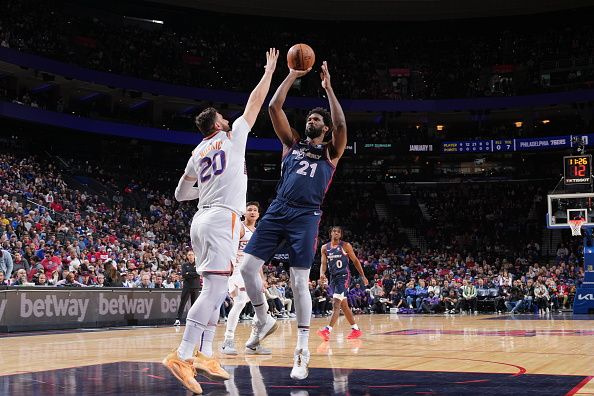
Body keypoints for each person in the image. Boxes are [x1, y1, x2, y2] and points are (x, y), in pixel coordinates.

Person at [161, 48, 279, 395]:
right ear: (217, 125)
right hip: (222, 219)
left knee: (216, 291)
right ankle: (182, 355)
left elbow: (181, 195)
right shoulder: (232, 137)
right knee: (214, 291)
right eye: (223, 119)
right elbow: (256, 102)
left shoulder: (197, 153)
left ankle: (207, 354)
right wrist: (269, 70)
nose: (229, 120)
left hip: (201, 219)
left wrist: (210, 189)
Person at [241, 60, 348, 380]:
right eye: (310, 117)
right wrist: (291, 75)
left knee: (299, 280)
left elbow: (342, 125)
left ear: (324, 128)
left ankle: (302, 348)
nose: (312, 120)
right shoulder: (291, 144)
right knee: (247, 268)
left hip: (306, 215)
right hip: (278, 208)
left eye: (317, 118)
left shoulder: (332, 151)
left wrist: (329, 88)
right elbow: (274, 106)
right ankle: (264, 319)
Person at [221, 202, 265, 355]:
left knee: (263, 308)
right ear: (244, 213)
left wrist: (262, 278)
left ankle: (253, 343)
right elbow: (227, 248)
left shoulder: (258, 232)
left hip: (252, 271)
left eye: (255, 210)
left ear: (258, 215)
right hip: (237, 270)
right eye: (249, 209)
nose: (252, 212)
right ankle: (228, 340)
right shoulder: (239, 228)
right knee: (239, 302)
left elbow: (257, 258)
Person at [317, 226, 368, 341]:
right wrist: (322, 273)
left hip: (344, 277)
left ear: (341, 235)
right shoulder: (325, 248)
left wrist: (363, 275)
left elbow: (355, 261)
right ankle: (356, 330)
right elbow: (323, 263)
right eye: (334, 231)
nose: (336, 233)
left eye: (338, 232)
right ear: (330, 233)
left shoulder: (345, 246)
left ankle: (327, 330)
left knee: (336, 304)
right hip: (333, 278)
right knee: (344, 306)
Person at [174, 250, 201, 327]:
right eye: (189, 255)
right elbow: (184, 275)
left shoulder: (198, 264)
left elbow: (198, 273)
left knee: (194, 305)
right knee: (182, 303)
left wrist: (189, 273)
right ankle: (178, 319)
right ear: (187, 256)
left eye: (192, 254)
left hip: (195, 287)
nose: (190, 256)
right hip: (187, 287)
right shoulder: (184, 265)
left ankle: (193, 320)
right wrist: (192, 274)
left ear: (194, 256)